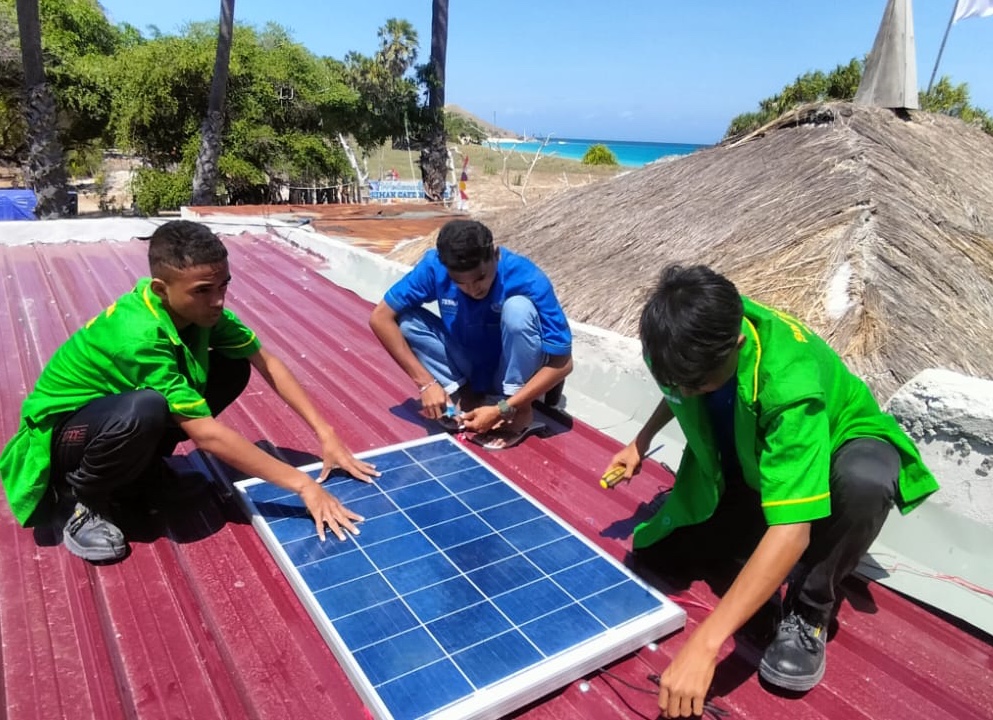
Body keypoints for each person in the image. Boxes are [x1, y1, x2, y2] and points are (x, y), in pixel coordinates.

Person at [607, 264, 938, 717]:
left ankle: (811, 607)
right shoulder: (681, 341)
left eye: (697, 382)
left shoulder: (788, 383)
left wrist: (706, 644)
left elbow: (793, 530)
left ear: (737, 345)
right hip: (757, 457)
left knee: (865, 479)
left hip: (840, 441)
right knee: (659, 554)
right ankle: (751, 554)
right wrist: (639, 442)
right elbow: (678, 389)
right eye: (676, 379)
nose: (685, 388)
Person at [0, 220, 378, 563]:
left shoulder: (203, 315)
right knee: (145, 408)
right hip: (60, 442)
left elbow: (266, 361)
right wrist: (303, 486)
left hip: (108, 422)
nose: (218, 300)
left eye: (223, 285)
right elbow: (206, 434)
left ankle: (143, 475)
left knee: (231, 365)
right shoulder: (137, 336)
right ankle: (79, 501)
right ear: (162, 289)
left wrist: (325, 434)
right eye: (202, 291)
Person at [369, 219, 572, 449]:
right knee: (404, 320)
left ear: (495, 255)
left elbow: (563, 363)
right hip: (469, 365)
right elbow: (379, 317)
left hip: (511, 373)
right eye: (460, 283)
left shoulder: (527, 277)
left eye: (480, 278)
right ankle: (466, 395)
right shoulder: (433, 266)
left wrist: (504, 408)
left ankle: (517, 411)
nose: (473, 289)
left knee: (519, 310)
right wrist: (426, 383)